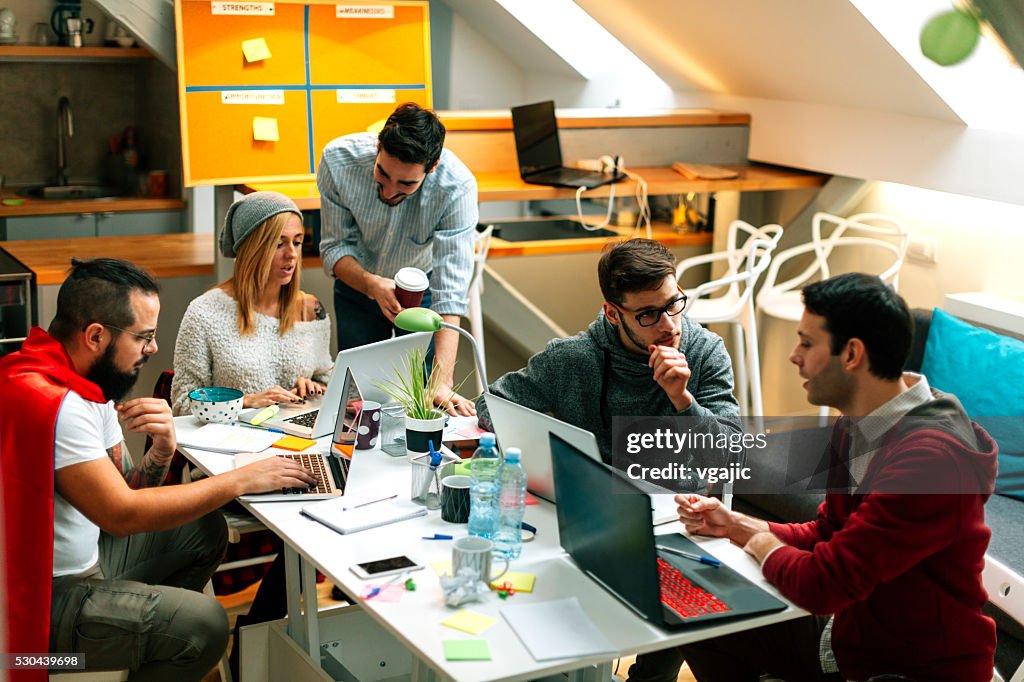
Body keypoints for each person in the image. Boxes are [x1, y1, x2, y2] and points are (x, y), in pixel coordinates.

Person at [0, 258, 316, 681]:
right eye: (144, 337)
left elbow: (127, 486)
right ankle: (137, 645)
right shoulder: (58, 404)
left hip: (79, 559)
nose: (152, 348)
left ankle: (141, 641)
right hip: (39, 598)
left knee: (204, 531)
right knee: (204, 626)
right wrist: (241, 478)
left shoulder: (76, 379)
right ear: (95, 336)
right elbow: (123, 514)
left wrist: (164, 449)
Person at [676, 273, 997, 682]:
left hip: (909, 668)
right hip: (850, 637)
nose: (795, 356)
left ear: (852, 355)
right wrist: (735, 524)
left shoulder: (931, 462)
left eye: (807, 343)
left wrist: (759, 541)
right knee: (698, 607)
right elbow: (831, 531)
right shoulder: (858, 423)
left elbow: (823, 583)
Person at [474, 238, 742, 682]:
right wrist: (549, 447)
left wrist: (683, 401)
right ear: (612, 313)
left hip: (677, 516)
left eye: (673, 304)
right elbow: (494, 403)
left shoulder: (705, 350)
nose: (669, 324)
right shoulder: (575, 358)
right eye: (648, 315)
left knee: (674, 620)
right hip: (595, 512)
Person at [318, 102, 478, 416]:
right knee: (359, 400)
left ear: (431, 168)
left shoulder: (456, 187)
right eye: (382, 174)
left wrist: (442, 380)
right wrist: (370, 284)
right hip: (358, 283)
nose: (390, 191)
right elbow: (334, 248)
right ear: (378, 147)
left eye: (406, 184)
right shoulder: (338, 160)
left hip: (422, 291)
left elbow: (450, 294)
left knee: (425, 398)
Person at [171, 191, 333, 415]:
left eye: (297, 242)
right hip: (234, 442)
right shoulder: (205, 313)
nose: (292, 254)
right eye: (278, 244)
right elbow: (181, 406)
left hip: (299, 437)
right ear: (252, 249)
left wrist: (317, 389)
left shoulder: (311, 310)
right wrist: (245, 402)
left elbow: (329, 381)